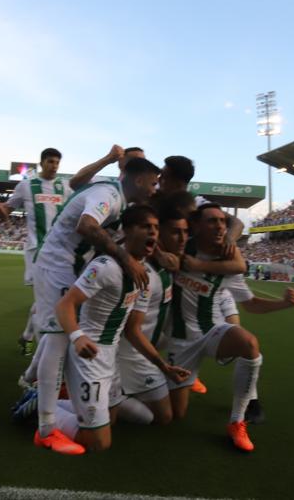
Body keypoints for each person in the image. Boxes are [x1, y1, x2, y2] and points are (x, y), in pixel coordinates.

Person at [30, 156, 160, 455]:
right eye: (153, 183)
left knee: (58, 336)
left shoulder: (118, 198)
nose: (154, 189)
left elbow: (76, 185)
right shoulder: (109, 196)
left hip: (68, 266)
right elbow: (87, 225)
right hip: (58, 265)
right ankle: (46, 429)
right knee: (57, 337)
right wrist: (126, 259)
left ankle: (34, 390)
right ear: (139, 180)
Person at [49, 205, 183, 452]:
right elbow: (65, 305)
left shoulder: (146, 276)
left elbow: (133, 331)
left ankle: (67, 405)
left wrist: (162, 365)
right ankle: (40, 406)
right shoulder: (105, 267)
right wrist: (78, 337)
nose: (153, 232)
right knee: (99, 443)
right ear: (127, 231)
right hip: (88, 356)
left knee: (139, 419)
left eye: (155, 228)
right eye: (145, 227)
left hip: (111, 359)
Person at [167, 203, 294, 452]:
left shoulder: (228, 264)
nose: (219, 226)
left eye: (221, 221)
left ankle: (237, 420)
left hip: (211, 331)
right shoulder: (181, 247)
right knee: (175, 414)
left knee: (248, 344)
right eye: (211, 221)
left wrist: (283, 304)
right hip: (180, 341)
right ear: (195, 226)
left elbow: (251, 304)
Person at [112, 205, 192, 426]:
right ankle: (105, 395)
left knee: (172, 412)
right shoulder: (144, 273)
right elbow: (132, 328)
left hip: (147, 349)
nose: (183, 239)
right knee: (161, 417)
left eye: (186, 232)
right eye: (176, 233)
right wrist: (161, 365)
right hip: (133, 353)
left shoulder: (165, 266)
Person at [0, 148, 69, 356]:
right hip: (36, 251)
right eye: (51, 162)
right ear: (42, 163)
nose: (54, 166)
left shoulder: (63, 187)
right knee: (46, 303)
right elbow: (7, 210)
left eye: (57, 162)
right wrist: (0, 209)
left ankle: (27, 337)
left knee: (45, 302)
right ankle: (38, 357)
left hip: (59, 253)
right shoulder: (26, 185)